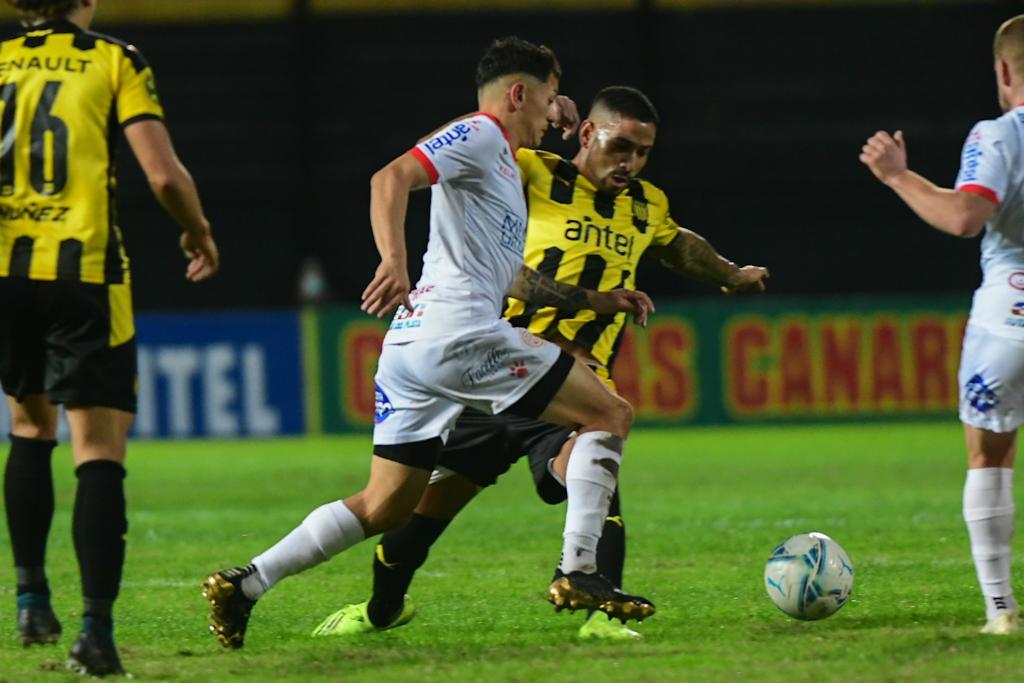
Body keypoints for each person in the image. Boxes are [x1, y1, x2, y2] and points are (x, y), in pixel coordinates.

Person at [203, 36, 657, 650]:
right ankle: (579, 570)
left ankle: (247, 583)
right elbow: (389, 177)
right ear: (518, 94)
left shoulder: (499, 157)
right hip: (459, 333)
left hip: (413, 349)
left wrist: (553, 105)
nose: (554, 115)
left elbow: (506, 261)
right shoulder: (480, 135)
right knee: (610, 412)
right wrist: (393, 260)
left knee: (385, 505)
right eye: (547, 98)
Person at [309, 86, 769, 641]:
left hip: (567, 388)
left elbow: (677, 244)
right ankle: (380, 610)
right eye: (621, 145)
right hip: (493, 370)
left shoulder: (647, 206)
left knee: (595, 470)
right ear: (585, 133)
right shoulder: (531, 170)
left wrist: (728, 273)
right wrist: (525, 111)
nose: (631, 162)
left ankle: (601, 613)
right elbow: (462, 140)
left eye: (643, 152)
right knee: (418, 517)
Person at [0, 0, 219, 675]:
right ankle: (95, 631)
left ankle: (31, 597)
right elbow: (161, 172)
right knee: (97, 450)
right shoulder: (115, 59)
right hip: (87, 272)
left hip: (7, 269)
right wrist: (197, 228)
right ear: (84, 1)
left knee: (29, 429)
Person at [860, 14, 1024, 636]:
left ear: (1004, 72)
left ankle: (1001, 611)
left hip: (1008, 319)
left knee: (989, 458)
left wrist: (898, 175)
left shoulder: (1001, 133)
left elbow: (964, 217)